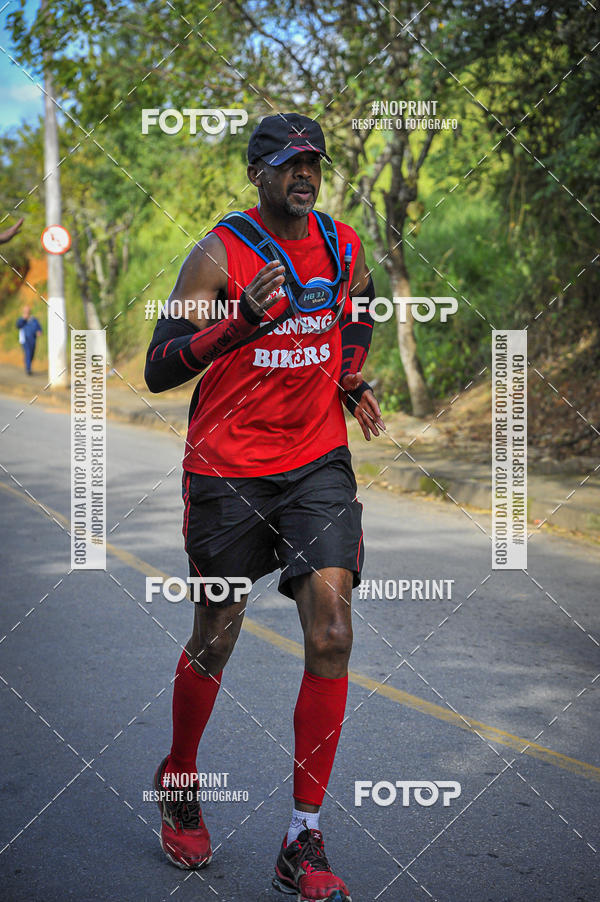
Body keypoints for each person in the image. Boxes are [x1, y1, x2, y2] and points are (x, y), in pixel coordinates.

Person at [145, 112, 383, 902]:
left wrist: (349, 372)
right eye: (287, 162)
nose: (303, 173)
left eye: (313, 161)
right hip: (228, 470)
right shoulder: (221, 253)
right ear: (257, 173)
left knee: (334, 631)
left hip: (317, 462)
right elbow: (158, 366)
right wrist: (240, 323)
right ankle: (181, 777)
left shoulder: (342, 245)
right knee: (216, 636)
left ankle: (300, 838)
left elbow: (361, 303)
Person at [16, 305, 42, 375]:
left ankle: (28, 365)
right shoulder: (21, 320)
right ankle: (28, 369)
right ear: (23, 312)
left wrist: (39, 331)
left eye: (28, 311)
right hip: (25, 340)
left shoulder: (34, 320)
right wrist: (23, 319)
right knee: (28, 353)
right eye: (25, 311)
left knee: (32, 354)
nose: (27, 312)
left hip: (33, 340)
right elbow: (18, 326)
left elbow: (39, 328)